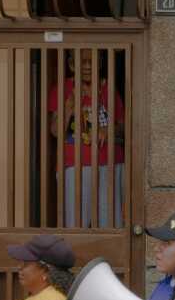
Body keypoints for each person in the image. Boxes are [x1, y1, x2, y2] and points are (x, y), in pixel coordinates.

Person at [48, 49, 126, 228]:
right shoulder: (62, 89)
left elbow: (124, 127)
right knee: (76, 225)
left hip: (110, 163)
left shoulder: (108, 88)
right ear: (71, 64)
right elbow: (54, 131)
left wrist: (108, 129)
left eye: (92, 61)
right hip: (74, 164)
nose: (88, 66)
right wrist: (68, 108)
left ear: (99, 63)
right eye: (82, 61)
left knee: (111, 224)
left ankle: (110, 256)